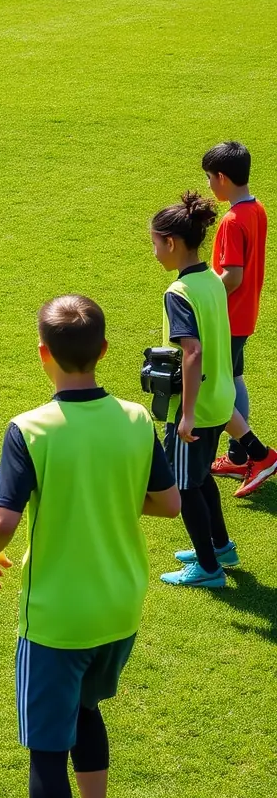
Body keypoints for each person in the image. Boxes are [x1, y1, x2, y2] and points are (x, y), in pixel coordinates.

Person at [0, 295, 179, 798]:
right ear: (105, 353)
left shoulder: (30, 429)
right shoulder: (136, 418)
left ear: (44, 356)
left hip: (57, 620)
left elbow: (3, 517)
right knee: (87, 711)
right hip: (120, 608)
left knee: (44, 752)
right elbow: (168, 505)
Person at [151, 191, 274, 586]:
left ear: (171, 243)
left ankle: (207, 568)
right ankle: (220, 546)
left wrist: (185, 414)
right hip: (221, 400)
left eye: (154, 243)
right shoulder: (211, 280)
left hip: (197, 409)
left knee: (185, 486)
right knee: (201, 477)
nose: (154, 252)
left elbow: (192, 351)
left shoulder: (179, 293)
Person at [203, 141, 277, 494]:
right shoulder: (256, 208)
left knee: (220, 387)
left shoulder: (233, 221)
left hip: (228, 316)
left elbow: (232, 275)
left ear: (222, 177)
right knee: (234, 377)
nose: (208, 186)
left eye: (209, 178)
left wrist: (203, 299)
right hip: (244, 313)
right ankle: (236, 456)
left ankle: (256, 455)